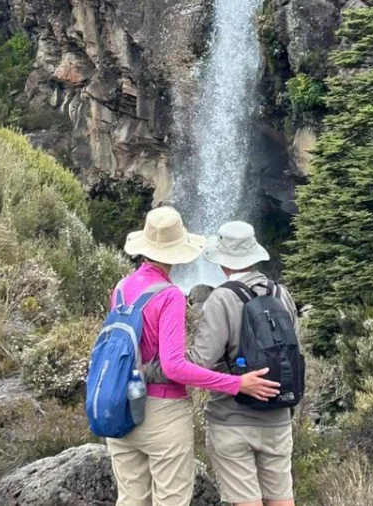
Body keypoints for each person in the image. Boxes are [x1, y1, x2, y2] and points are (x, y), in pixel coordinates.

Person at [108, 207, 280, 506]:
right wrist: (235, 384)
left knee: (131, 500)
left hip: (120, 406)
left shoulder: (122, 288)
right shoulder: (170, 295)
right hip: (161, 413)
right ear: (177, 250)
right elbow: (175, 366)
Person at [149, 221, 300, 506]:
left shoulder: (221, 299)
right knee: (282, 500)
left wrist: (151, 369)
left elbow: (199, 361)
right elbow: (294, 354)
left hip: (232, 421)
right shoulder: (282, 295)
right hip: (278, 418)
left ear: (222, 262)